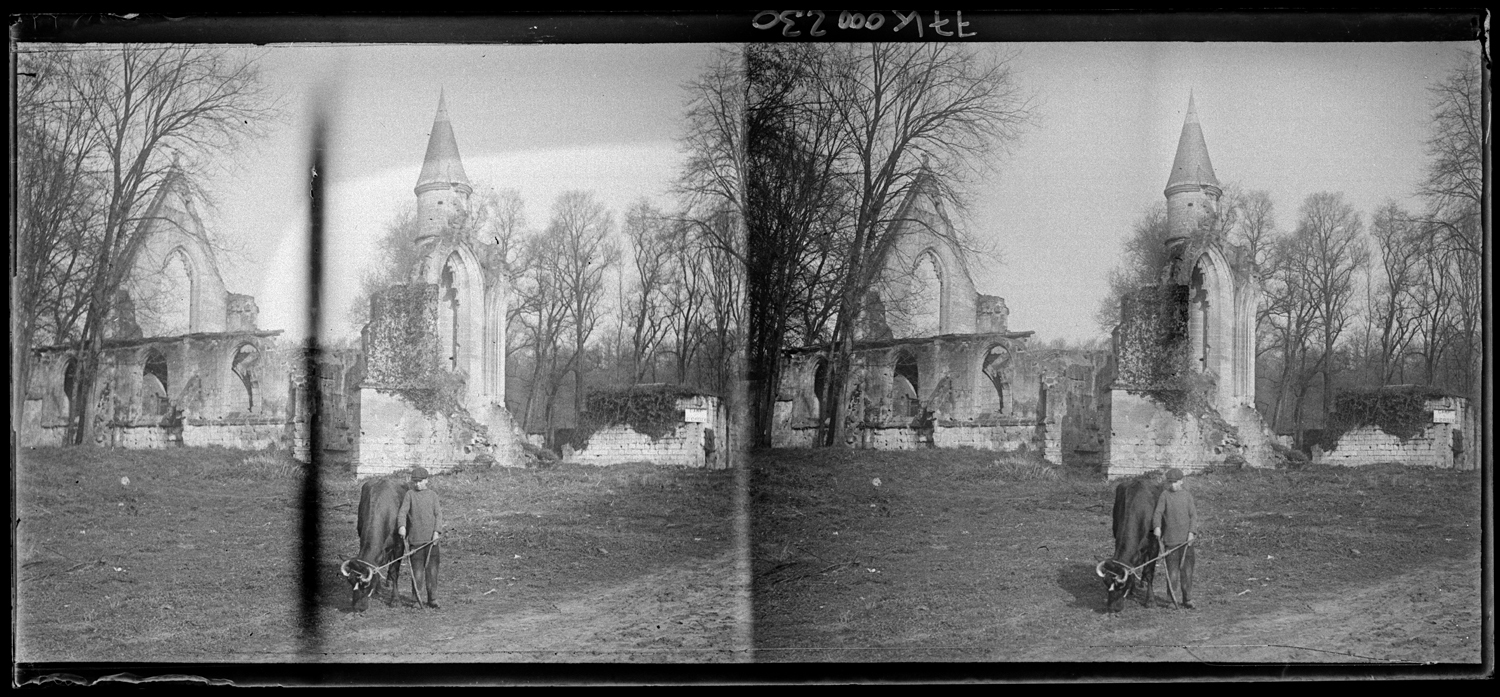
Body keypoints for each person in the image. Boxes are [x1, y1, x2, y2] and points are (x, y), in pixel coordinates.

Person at [1152, 467, 1198, 609]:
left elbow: (1193, 516)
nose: (1172, 485)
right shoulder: (1165, 495)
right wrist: (1157, 527)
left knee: (1187, 572)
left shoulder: (1187, 496)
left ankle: (1187, 599)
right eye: (1170, 482)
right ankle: (1171, 599)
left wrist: (1191, 533)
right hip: (1170, 542)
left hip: (1186, 542)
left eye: (1175, 482)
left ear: (1181, 482)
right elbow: (1158, 513)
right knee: (1172, 573)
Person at [397, 466, 443, 609]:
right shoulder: (410, 495)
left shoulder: (433, 495)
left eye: (420, 481)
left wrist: (437, 532)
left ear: (426, 481)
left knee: (432, 571)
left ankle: (433, 599)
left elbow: (438, 515)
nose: (417, 484)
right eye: (414, 482)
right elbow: (402, 513)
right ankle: (416, 599)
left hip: (431, 541)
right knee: (417, 572)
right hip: (415, 542)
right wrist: (402, 526)